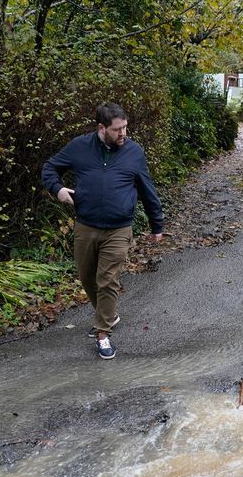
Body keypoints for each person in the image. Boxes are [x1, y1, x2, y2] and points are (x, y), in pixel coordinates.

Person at [41, 103, 164, 359]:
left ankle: (103, 333)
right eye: (118, 129)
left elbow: (147, 188)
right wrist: (58, 189)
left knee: (107, 279)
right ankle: (108, 315)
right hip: (86, 225)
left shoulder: (133, 152)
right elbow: (49, 168)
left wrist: (157, 224)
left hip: (119, 228)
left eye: (125, 128)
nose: (123, 134)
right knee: (87, 278)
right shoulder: (79, 147)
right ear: (101, 128)